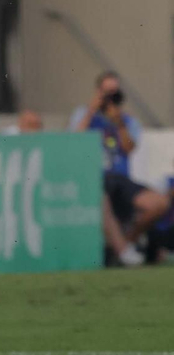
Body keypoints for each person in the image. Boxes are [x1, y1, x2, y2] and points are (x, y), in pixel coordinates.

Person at [71, 71, 172, 266]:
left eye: (114, 93)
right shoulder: (83, 114)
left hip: (120, 179)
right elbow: (75, 140)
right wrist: (92, 110)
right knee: (100, 196)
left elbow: (129, 148)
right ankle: (124, 251)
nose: (110, 98)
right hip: (94, 177)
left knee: (159, 203)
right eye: (106, 92)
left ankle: (125, 245)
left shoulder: (128, 121)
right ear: (97, 92)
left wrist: (119, 123)